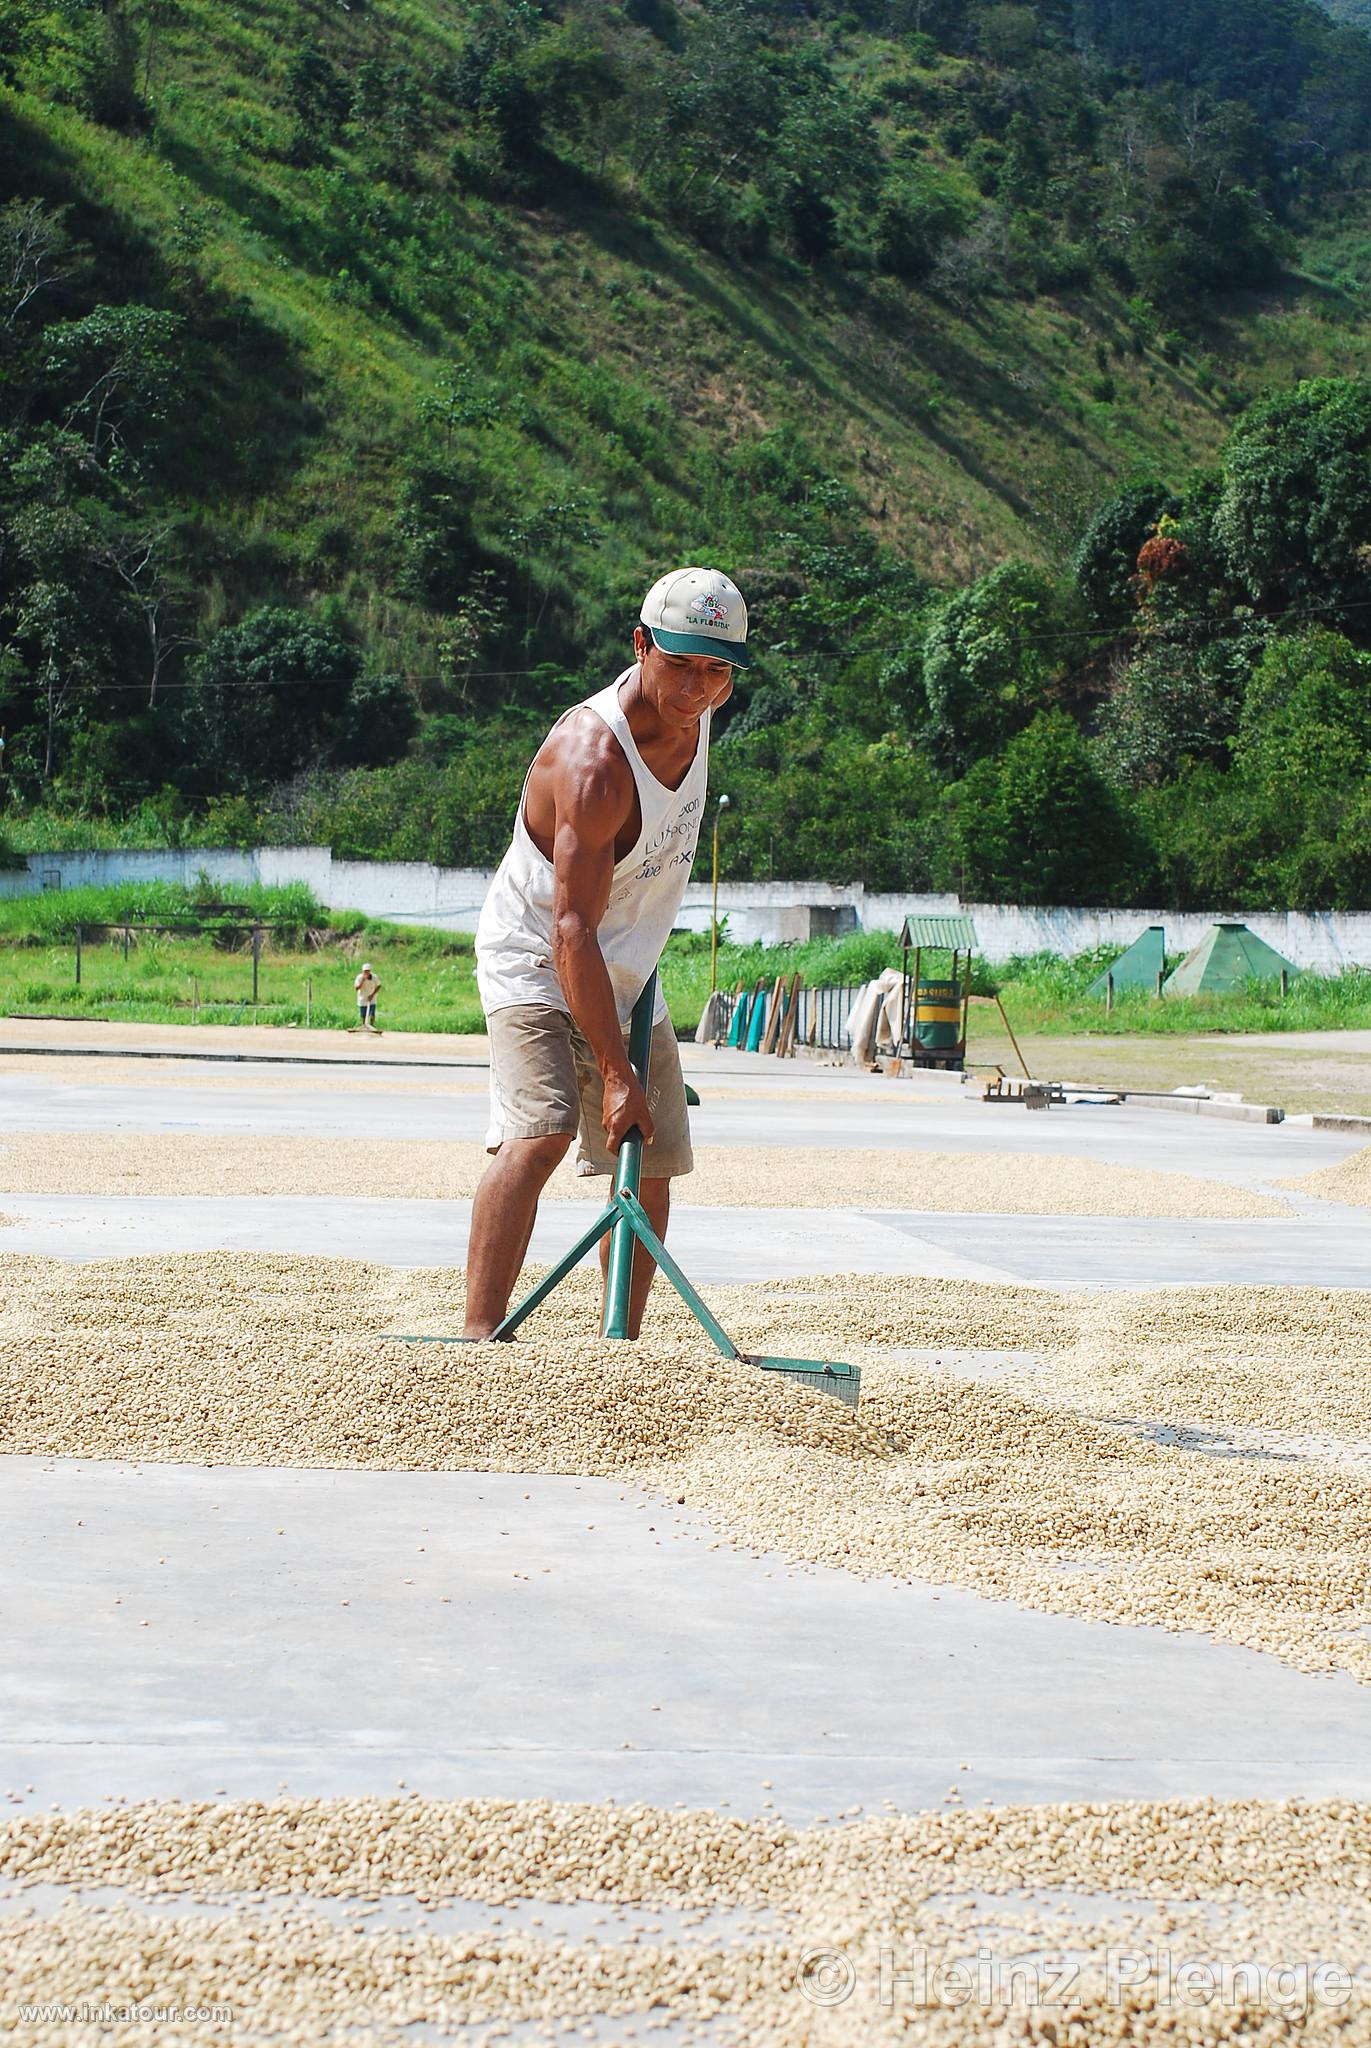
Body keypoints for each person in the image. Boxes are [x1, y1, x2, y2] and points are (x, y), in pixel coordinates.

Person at [464, 566, 750, 1341]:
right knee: (543, 1131)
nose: (695, 687)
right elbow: (568, 931)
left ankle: (616, 1346)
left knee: (649, 1154)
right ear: (639, 644)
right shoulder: (593, 760)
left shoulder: (697, 713)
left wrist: (631, 1081)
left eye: (716, 668)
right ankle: (477, 1337)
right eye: (679, 662)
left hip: (626, 964)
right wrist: (616, 1073)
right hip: (538, 953)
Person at [354, 962, 381, 1031]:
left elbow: (378, 986)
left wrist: (372, 995)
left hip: (372, 998)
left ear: (370, 971)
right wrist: (362, 981)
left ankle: (372, 1026)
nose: (366, 973)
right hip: (362, 998)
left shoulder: (374, 977)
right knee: (363, 1015)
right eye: (365, 971)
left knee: (372, 1014)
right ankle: (364, 1026)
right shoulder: (359, 978)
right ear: (363, 971)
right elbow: (356, 988)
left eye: (368, 971)